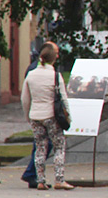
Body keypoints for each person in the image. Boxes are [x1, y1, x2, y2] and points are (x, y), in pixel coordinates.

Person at [20, 41, 73, 190]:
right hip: (51, 117)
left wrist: (28, 117)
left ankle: (41, 180)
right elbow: (63, 98)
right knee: (59, 147)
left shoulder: (31, 75)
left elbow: (25, 99)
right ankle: (59, 179)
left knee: (40, 149)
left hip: (35, 116)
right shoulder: (55, 75)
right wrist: (67, 116)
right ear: (53, 59)